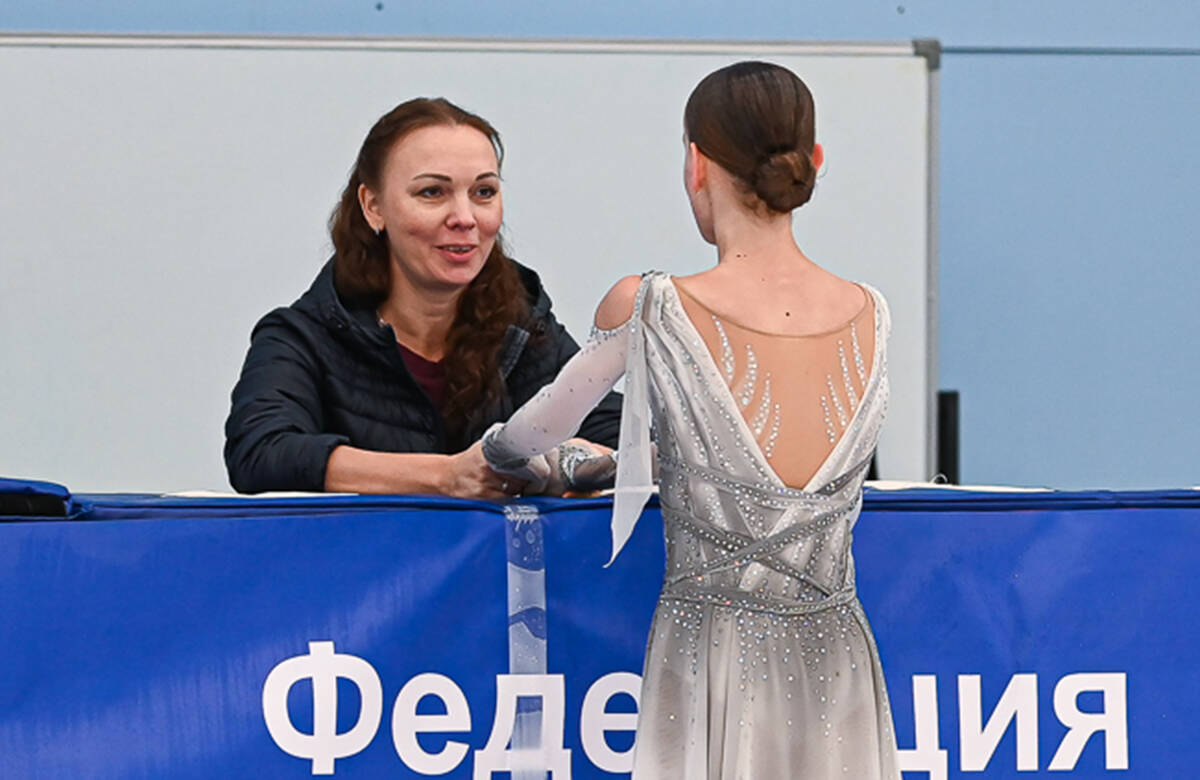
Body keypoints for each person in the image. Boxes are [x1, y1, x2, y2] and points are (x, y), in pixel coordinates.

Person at [482, 62, 900, 777]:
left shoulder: (650, 305)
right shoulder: (872, 313)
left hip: (711, 647)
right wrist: (623, 463)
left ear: (697, 164)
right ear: (813, 159)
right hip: (839, 659)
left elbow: (526, 440)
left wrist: (526, 456)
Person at [224, 98, 620, 497]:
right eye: (432, 192)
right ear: (373, 207)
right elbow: (260, 453)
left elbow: (621, 438)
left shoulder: (524, 325)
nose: (464, 217)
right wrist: (446, 476)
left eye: (484, 192)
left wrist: (578, 462)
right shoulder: (302, 336)